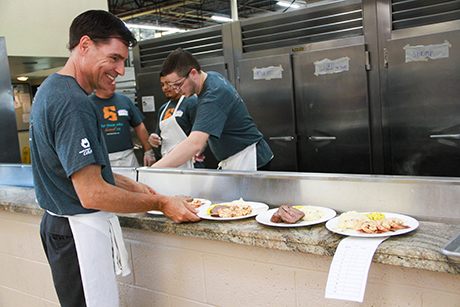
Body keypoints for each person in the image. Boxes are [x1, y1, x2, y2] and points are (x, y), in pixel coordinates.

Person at [29, 10, 200, 307]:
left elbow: (75, 171)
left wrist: (126, 184)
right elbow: (92, 193)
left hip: (60, 228)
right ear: (85, 45)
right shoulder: (73, 103)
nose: (120, 70)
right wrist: (161, 203)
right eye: (114, 58)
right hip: (76, 235)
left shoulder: (51, 89)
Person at [152, 48, 274, 171]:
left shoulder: (213, 94)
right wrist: (202, 146)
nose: (177, 90)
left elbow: (194, 144)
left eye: (178, 84)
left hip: (249, 158)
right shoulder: (211, 77)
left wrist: (152, 170)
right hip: (235, 158)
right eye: (173, 86)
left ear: (193, 73)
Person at [89, 84, 155, 167]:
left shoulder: (124, 100)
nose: (112, 83)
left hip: (128, 158)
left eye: (113, 80)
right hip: (103, 160)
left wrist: (148, 151)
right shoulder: (88, 103)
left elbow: (139, 126)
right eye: (108, 81)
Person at [148, 73, 205, 168]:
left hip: (190, 163)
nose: (165, 88)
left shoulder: (191, 102)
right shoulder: (163, 109)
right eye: (162, 85)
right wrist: (153, 140)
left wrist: (200, 149)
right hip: (168, 162)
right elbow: (159, 137)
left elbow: (202, 135)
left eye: (168, 83)